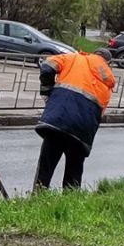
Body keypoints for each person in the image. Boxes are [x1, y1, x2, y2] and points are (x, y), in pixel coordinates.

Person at [33, 49, 116, 191]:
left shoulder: (73, 59)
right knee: (74, 171)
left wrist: (47, 92)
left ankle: (37, 201)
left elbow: (47, 67)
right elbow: (99, 114)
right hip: (82, 131)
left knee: (46, 167)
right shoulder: (107, 84)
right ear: (108, 64)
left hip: (58, 120)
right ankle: (70, 204)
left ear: (92, 54)